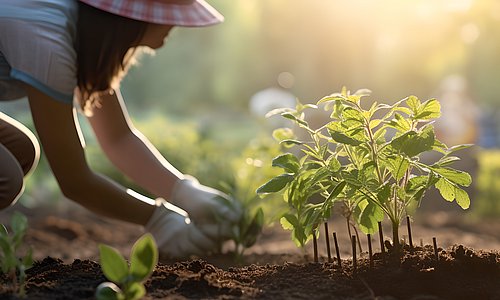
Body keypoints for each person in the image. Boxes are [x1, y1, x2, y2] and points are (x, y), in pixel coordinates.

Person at [0, 0, 241, 259]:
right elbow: (74, 181)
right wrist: (157, 218)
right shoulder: (47, 39)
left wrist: (184, 191)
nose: (176, 23)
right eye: (169, 14)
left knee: (21, 149)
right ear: (128, 18)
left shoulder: (78, 33)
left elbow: (117, 137)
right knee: (6, 178)